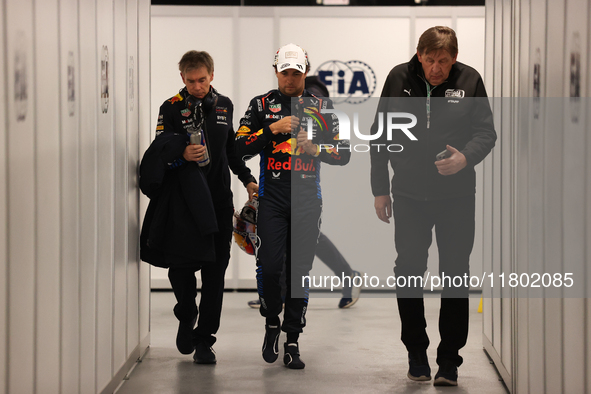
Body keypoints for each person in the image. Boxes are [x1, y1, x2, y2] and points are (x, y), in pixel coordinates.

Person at [370, 26, 496, 386]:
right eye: (430, 60)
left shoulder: (470, 80)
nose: (436, 68)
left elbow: (486, 132)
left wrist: (465, 159)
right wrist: (381, 189)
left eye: (443, 61)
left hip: (456, 197)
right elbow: (380, 133)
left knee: (455, 273)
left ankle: (449, 361)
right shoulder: (398, 78)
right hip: (409, 196)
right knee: (408, 270)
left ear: (454, 58)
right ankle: (416, 352)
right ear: (419, 54)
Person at [235, 43, 350, 369]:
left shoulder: (321, 105)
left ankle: (293, 340)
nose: (290, 77)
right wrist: (271, 129)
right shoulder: (261, 104)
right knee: (270, 268)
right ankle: (272, 321)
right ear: (276, 71)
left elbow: (343, 153)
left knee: (299, 273)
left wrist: (317, 149)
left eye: (296, 72)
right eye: (284, 71)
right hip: (271, 199)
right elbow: (237, 147)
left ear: (305, 72)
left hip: (307, 201)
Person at [139, 50, 257, 365]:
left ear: (212, 76)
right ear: (182, 79)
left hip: (219, 201)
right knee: (181, 269)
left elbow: (231, 148)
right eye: (191, 81)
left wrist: (247, 179)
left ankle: (205, 340)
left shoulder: (224, 105)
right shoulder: (171, 108)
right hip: (184, 204)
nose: (197, 86)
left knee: (215, 273)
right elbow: (158, 152)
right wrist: (182, 157)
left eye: (202, 80)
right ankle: (186, 312)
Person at [246, 76, 363, 310]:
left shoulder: (315, 100)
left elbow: (333, 140)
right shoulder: (276, 102)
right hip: (281, 183)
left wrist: (314, 145)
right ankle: (275, 293)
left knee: (307, 238)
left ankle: (348, 276)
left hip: (304, 181)